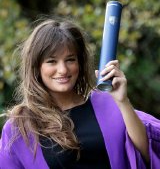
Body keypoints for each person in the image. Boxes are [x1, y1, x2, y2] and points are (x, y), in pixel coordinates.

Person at [0, 18, 160, 169]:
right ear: (36, 68)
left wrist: (123, 101)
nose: (63, 70)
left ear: (80, 63)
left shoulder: (108, 106)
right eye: (51, 61)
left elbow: (149, 154)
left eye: (70, 59)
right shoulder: (20, 128)